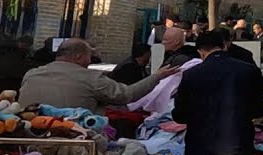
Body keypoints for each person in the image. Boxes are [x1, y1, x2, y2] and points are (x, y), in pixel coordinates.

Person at [19, 39, 174, 113]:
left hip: (30, 135)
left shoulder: (32, 74)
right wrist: (157, 77)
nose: (91, 60)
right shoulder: (91, 78)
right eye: (89, 56)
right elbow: (127, 94)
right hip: (76, 139)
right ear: (79, 57)